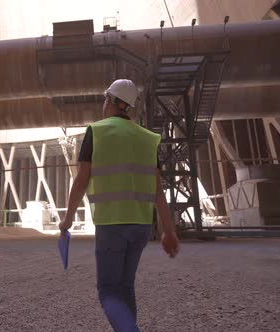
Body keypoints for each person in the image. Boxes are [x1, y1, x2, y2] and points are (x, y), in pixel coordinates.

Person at [59, 79, 180, 332]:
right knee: (126, 286)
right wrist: (169, 231)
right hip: (141, 227)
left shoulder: (97, 131)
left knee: (109, 293)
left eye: (106, 99)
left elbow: (81, 181)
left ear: (113, 102)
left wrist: (68, 220)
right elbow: (158, 191)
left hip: (112, 223)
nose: (103, 104)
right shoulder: (148, 139)